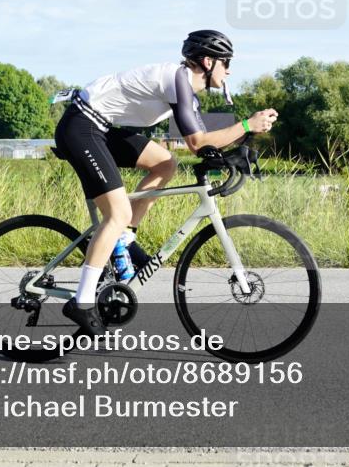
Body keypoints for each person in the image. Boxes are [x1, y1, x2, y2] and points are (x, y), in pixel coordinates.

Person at [51, 30, 278, 335]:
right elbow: (198, 143)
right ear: (208, 62)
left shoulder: (184, 88)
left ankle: (125, 240)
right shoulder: (178, 80)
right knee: (117, 213)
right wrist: (248, 124)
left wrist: (231, 153)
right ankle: (81, 300)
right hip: (81, 126)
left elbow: (205, 144)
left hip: (100, 127)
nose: (230, 70)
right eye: (226, 63)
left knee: (164, 163)